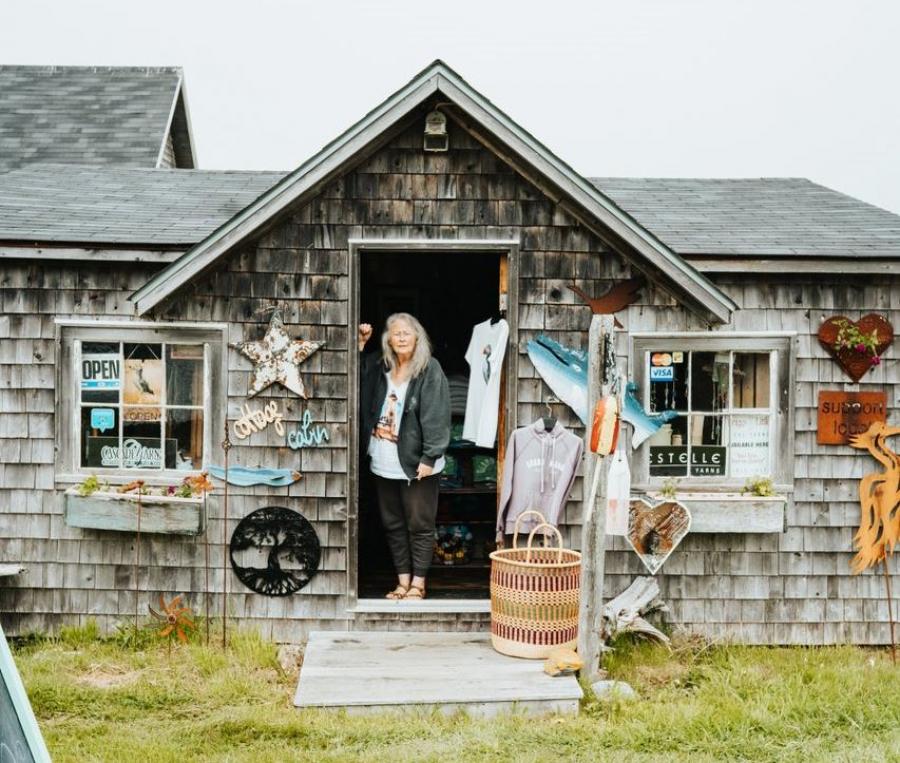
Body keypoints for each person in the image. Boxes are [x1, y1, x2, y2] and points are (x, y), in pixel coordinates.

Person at [359, 313, 451, 600]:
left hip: (417, 463)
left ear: (417, 338)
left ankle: (418, 584)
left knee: (419, 525)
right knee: (393, 524)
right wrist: (361, 345)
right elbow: (352, 376)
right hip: (383, 458)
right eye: (395, 333)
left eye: (406, 333)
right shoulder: (379, 366)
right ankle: (402, 582)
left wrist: (430, 456)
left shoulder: (428, 369)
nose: (400, 337)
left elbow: (438, 414)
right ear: (388, 339)